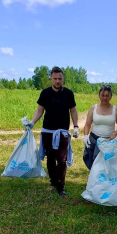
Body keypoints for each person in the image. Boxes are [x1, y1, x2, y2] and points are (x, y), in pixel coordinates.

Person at [24, 66, 79, 196]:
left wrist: (76, 126)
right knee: (50, 158)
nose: (57, 81)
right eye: (55, 78)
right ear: (51, 79)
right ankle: (53, 182)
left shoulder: (68, 94)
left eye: (60, 78)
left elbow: (73, 110)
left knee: (62, 159)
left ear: (63, 79)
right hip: (48, 131)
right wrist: (32, 122)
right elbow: (39, 110)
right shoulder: (45, 93)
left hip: (62, 132)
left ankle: (61, 185)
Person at [83, 85, 117, 170]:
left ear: (110, 97)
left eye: (107, 96)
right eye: (102, 95)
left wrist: (114, 133)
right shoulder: (93, 108)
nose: (104, 98)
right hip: (93, 140)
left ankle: (104, 182)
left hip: (108, 142)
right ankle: (93, 182)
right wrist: (86, 136)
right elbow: (87, 124)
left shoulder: (115, 110)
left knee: (105, 166)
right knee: (93, 164)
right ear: (99, 96)